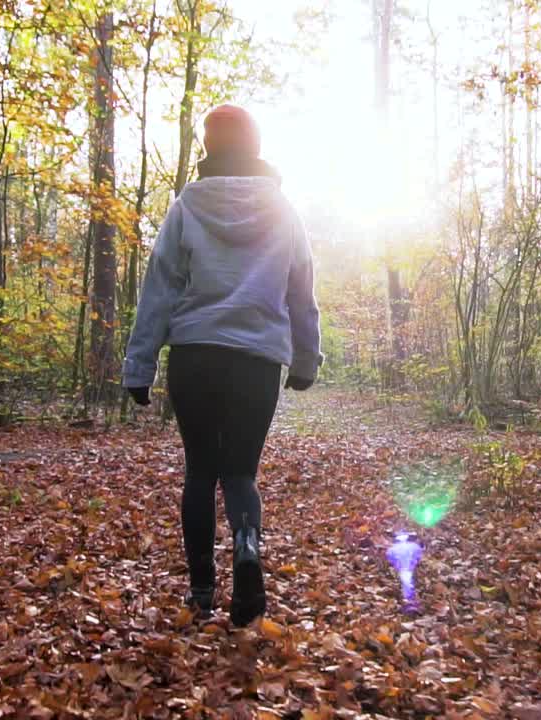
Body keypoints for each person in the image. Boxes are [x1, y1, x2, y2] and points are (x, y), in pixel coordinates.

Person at [122, 104, 322, 627]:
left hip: (195, 356)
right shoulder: (283, 211)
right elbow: (301, 290)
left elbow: (159, 288)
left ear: (210, 148)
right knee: (240, 474)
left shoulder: (187, 205)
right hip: (257, 363)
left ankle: (202, 591)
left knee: (200, 472)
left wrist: (139, 366)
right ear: (255, 146)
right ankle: (248, 552)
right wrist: (305, 358)